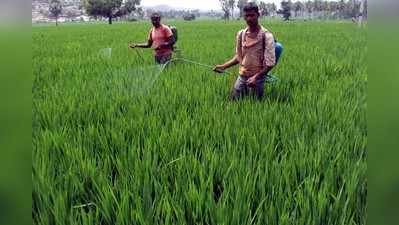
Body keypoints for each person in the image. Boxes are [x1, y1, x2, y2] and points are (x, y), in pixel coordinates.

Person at [213, 2, 277, 100]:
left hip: (258, 79)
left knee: (255, 106)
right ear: (243, 16)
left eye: (252, 15)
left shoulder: (266, 36)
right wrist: (223, 66)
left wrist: (256, 77)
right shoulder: (241, 34)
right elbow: (239, 57)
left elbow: (270, 63)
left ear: (258, 15)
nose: (249, 19)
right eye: (247, 16)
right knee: (233, 102)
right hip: (242, 76)